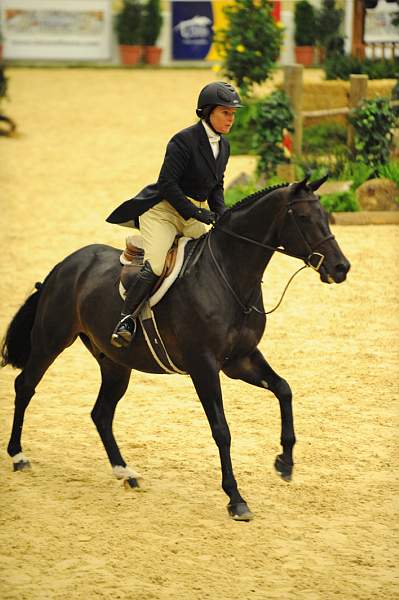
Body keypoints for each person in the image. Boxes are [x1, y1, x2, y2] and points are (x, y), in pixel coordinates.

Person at [106, 81, 243, 349]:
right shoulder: (183, 140)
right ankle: (126, 319)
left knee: (209, 261)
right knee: (157, 265)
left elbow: (216, 185)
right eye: (225, 112)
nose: (231, 118)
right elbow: (168, 184)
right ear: (207, 112)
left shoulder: (223, 146)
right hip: (163, 211)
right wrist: (196, 213)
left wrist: (221, 214)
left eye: (233, 113)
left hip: (192, 213)